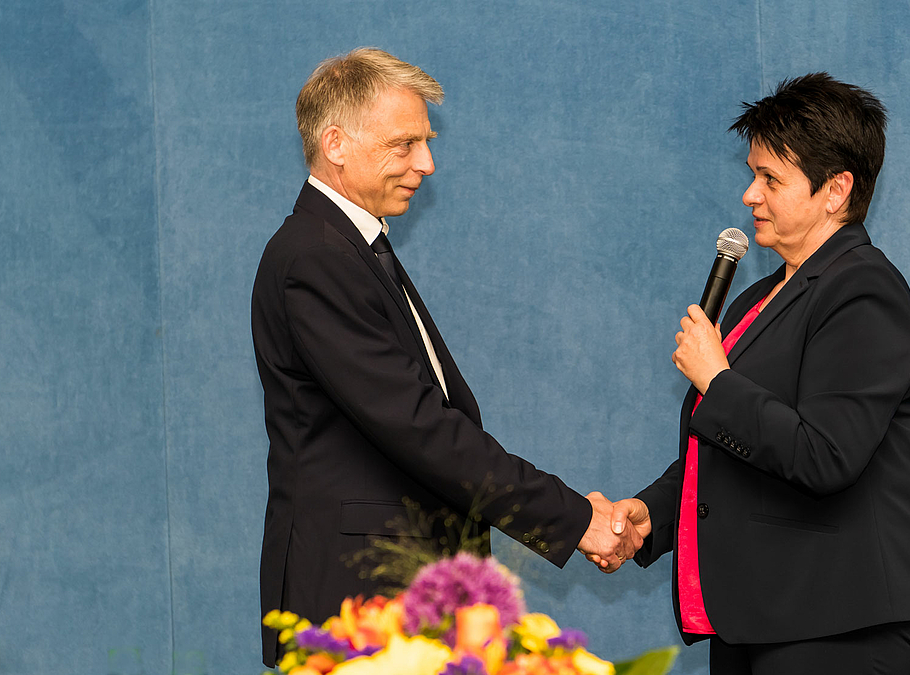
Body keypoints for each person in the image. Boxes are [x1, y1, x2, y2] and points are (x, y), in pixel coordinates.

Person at [250, 48, 637, 667]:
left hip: (398, 592)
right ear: (336, 144)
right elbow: (420, 429)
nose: (426, 164)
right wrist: (572, 517)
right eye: (405, 144)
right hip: (359, 597)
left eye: (423, 143)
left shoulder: (351, 246)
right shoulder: (316, 258)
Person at [606, 74, 910, 674]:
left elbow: (825, 455)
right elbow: (724, 449)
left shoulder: (863, 287)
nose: (749, 195)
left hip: (838, 619)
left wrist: (717, 379)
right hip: (757, 615)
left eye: (770, 178)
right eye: (752, 173)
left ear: (835, 190)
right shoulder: (757, 299)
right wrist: (651, 514)